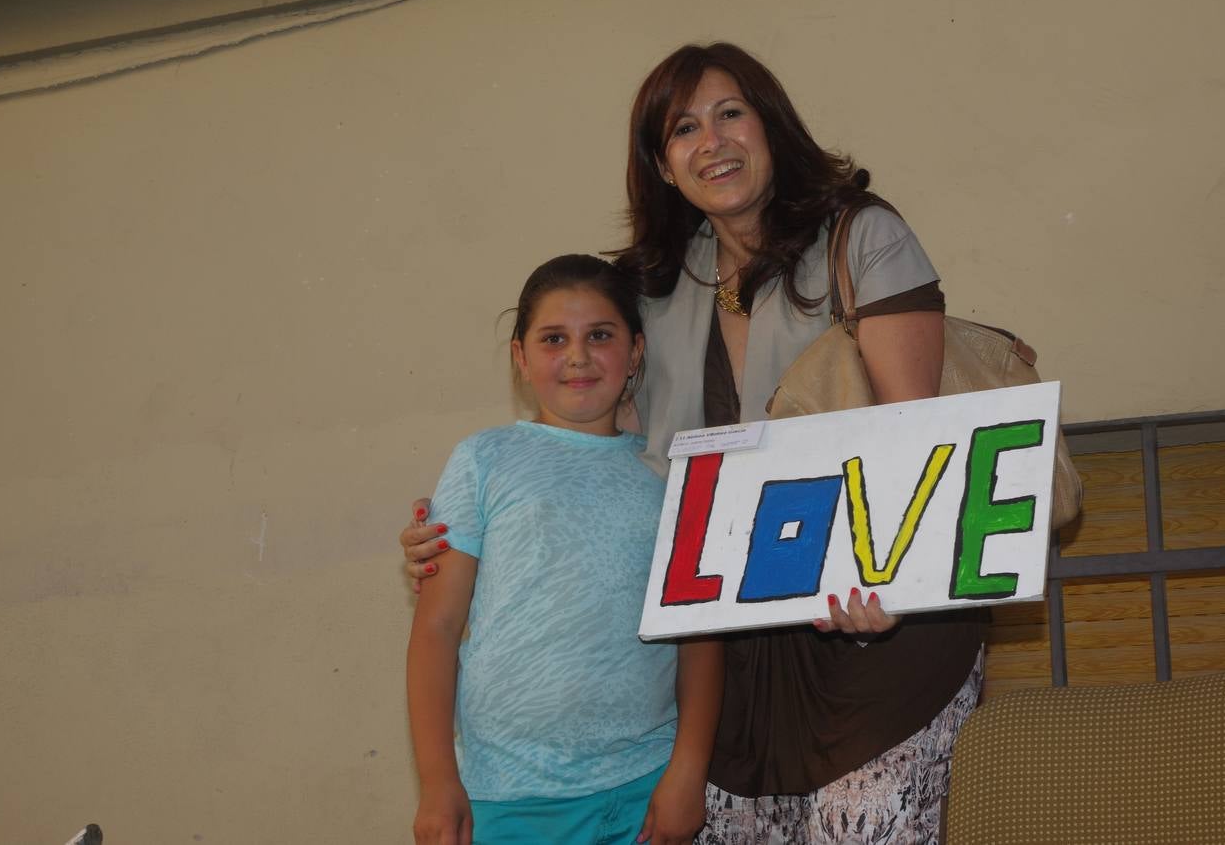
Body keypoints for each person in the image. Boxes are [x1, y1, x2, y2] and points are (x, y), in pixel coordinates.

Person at [402, 43, 985, 845]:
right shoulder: (652, 282)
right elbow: (605, 465)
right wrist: (457, 539)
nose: (710, 141)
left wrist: (889, 580)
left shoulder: (862, 237)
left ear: (770, 125)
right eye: (683, 128)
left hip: (871, 638)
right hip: (727, 669)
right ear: (663, 163)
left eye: (729, 114)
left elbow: (914, 441)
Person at [407, 254, 723, 845]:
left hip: (644, 789)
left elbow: (698, 637)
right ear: (520, 357)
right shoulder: (484, 460)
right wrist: (437, 781)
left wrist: (687, 771)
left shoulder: (673, 474)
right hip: (506, 795)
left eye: (599, 336)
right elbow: (436, 628)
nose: (578, 356)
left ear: (634, 352)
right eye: (554, 338)